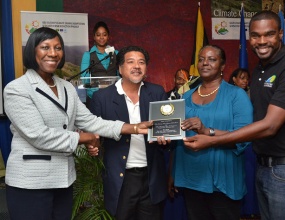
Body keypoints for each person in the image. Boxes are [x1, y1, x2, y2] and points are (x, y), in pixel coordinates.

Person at [3, 27, 151, 220]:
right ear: (32, 51)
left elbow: (89, 120)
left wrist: (132, 127)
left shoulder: (66, 87)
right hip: (31, 183)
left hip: (64, 180)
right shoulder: (17, 89)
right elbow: (39, 135)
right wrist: (86, 138)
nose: (53, 53)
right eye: (45, 47)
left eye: (58, 48)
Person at [183, 10, 285, 220]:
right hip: (265, 166)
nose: (261, 41)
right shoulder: (260, 70)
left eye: (269, 34)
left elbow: (269, 125)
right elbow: (252, 127)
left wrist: (210, 141)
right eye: (255, 36)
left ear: (281, 34)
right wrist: (208, 131)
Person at [167, 45, 253, 220]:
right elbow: (177, 138)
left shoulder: (236, 95)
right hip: (191, 178)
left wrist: (208, 132)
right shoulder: (185, 97)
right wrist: (172, 173)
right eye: (201, 59)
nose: (205, 63)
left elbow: (245, 136)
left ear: (222, 66)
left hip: (223, 181)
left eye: (212, 59)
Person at [90, 45, 168, 220]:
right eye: (130, 62)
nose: (137, 66)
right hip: (121, 179)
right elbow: (93, 133)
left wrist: (168, 138)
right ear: (120, 68)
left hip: (151, 178)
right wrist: (92, 143)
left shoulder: (157, 92)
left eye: (141, 62)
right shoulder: (102, 98)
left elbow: (167, 129)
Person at [80, 21, 119, 106]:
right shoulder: (88, 55)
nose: (101, 37)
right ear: (94, 37)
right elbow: (84, 78)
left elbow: (121, 75)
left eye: (104, 34)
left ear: (108, 36)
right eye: (98, 35)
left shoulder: (116, 53)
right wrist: (99, 87)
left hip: (114, 95)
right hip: (94, 95)